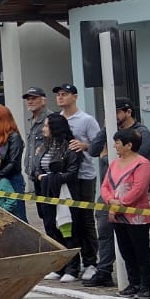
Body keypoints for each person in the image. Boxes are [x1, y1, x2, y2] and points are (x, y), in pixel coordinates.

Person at [53, 85, 101, 278]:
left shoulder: (86, 120)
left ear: (75, 96)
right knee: (67, 219)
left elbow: (99, 145)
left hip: (84, 175)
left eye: (64, 94)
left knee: (85, 219)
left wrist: (84, 146)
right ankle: (71, 261)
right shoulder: (57, 118)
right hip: (64, 177)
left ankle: (91, 262)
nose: (60, 97)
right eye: (58, 95)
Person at [101, 129, 150, 299]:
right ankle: (134, 282)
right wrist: (110, 200)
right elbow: (105, 186)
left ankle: (146, 285)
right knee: (126, 250)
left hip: (136, 215)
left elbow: (139, 188)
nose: (115, 146)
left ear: (129, 145)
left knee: (141, 250)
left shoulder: (142, 164)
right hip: (117, 215)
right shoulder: (114, 164)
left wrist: (122, 203)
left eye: (117, 143)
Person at [33, 113, 85, 279]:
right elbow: (36, 167)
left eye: (46, 126)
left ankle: (72, 267)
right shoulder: (44, 146)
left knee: (68, 229)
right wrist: (40, 176)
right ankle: (58, 266)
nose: (43, 129)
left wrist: (52, 178)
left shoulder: (70, 148)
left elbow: (72, 172)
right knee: (51, 229)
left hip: (64, 194)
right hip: (46, 193)